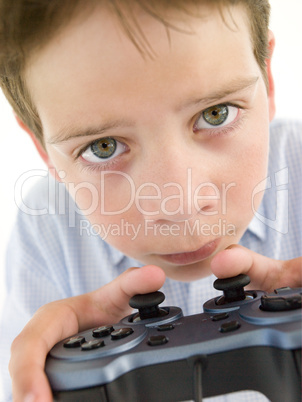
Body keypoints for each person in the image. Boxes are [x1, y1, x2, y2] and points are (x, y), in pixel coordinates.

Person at [0, 0, 301, 401]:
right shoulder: (44, 237)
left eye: (216, 113)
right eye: (103, 148)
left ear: (268, 77)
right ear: (41, 148)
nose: (179, 204)